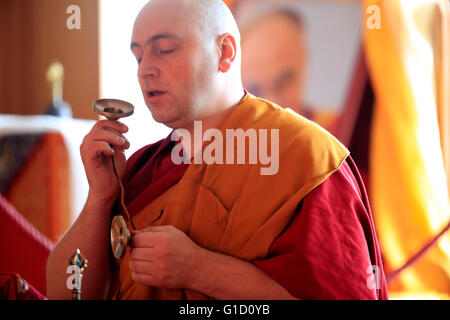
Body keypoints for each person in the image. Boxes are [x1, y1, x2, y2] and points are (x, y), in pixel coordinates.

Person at [46, 0, 388, 300]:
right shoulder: (142, 166)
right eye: (138, 55)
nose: (145, 69)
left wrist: (199, 270)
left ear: (224, 53)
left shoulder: (304, 157)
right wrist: (100, 199)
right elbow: (66, 293)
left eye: (164, 50)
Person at [239, 6, 339, 133]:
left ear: (303, 62)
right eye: (255, 92)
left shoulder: (342, 129)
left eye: (283, 82)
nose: (274, 102)